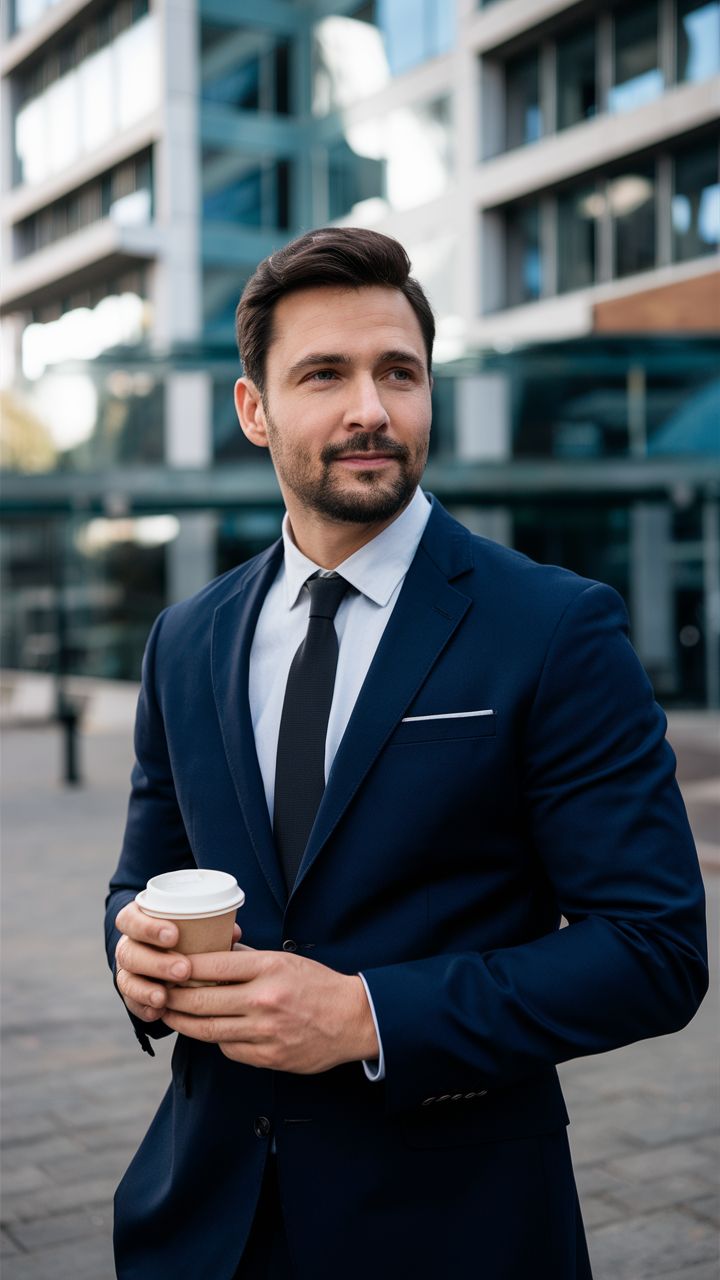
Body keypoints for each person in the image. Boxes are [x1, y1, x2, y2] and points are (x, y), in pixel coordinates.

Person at [105, 227, 707, 1280]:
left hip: (454, 1226)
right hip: (201, 1221)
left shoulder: (554, 625)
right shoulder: (186, 636)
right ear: (254, 409)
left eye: (399, 372)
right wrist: (133, 947)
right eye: (324, 373)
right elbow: (144, 871)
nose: (371, 408)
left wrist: (367, 1014)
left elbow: (653, 948)